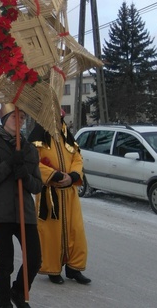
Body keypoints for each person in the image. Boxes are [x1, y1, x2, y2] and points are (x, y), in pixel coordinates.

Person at [0, 104, 43, 308]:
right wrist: (9, 164)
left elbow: (37, 185)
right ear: (4, 118)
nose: (20, 119)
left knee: (35, 259)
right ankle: (3, 302)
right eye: (15, 116)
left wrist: (24, 173)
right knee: (5, 262)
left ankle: (18, 291)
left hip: (25, 211)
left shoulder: (30, 148)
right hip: (0, 212)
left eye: (23, 116)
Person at [28, 112, 91, 285]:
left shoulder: (66, 138)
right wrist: (53, 175)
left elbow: (78, 158)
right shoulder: (37, 140)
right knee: (51, 233)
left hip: (70, 193)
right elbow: (32, 162)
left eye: (59, 119)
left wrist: (72, 175)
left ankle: (74, 267)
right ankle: (52, 268)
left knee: (75, 230)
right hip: (49, 193)